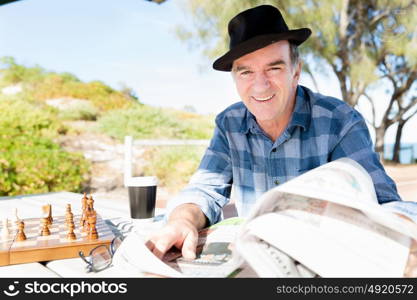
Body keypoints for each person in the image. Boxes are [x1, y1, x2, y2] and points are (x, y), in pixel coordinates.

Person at [146, 5, 413, 260]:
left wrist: (402, 229)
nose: (260, 86)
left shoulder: (340, 121)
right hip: (256, 258)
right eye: (246, 72)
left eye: (274, 68)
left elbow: (384, 203)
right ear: (235, 78)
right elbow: (205, 189)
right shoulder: (229, 123)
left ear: (296, 72)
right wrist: (182, 221)